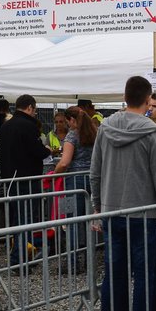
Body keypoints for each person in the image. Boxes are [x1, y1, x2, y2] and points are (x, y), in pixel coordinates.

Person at [90, 76, 156, 311]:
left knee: (113, 275)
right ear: (147, 99)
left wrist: (98, 206)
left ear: (125, 96)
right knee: (145, 275)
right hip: (144, 214)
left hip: (112, 211)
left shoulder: (105, 127)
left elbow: (95, 171)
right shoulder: (152, 132)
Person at [0, 94, 50, 265]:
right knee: (25, 219)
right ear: (30, 108)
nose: (34, 114)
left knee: (16, 218)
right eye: (34, 110)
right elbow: (37, 151)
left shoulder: (4, 127)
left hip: (8, 178)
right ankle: (19, 259)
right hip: (27, 177)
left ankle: (19, 255)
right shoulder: (28, 126)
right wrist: (47, 150)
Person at [54, 106, 98, 257]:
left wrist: (55, 173)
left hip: (74, 180)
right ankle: (89, 258)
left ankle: (72, 261)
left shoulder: (72, 136)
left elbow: (64, 162)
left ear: (71, 120)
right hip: (93, 178)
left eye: (66, 122)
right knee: (90, 219)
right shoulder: (95, 133)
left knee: (72, 221)